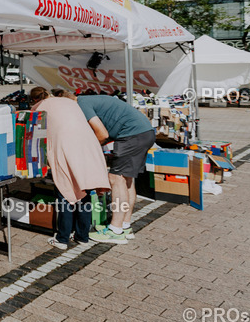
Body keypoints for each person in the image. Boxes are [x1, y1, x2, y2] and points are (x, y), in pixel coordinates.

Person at [29, 88, 111, 249]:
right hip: (88, 145)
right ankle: (82, 236)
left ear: (34, 99)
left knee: (65, 191)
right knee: (85, 188)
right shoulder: (69, 102)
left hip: (66, 147)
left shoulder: (38, 107)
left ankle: (62, 239)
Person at [77, 94, 156, 244]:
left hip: (131, 135)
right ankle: (125, 226)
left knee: (116, 178)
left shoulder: (81, 102)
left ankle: (115, 230)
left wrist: (89, 149)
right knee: (127, 180)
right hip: (145, 132)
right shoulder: (94, 99)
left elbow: (102, 134)